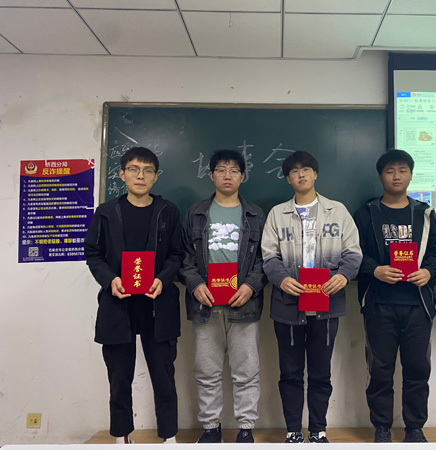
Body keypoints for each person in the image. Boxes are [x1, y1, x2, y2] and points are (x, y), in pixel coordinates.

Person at [261, 151, 362, 443]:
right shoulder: (277, 214)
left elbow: (353, 252)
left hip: (326, 304)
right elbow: (268, 256)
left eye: (306, 169)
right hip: (288, 304)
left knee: (321, 373)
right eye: (294, 171)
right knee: (290, 373)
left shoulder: (337, 211)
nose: (301, 174)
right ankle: (293, 430)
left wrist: (344, 275)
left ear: (315, 174)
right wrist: (282, 279)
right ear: (288, 179)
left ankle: (318, 430)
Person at [84, 147, 182, 444]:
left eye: (148, 170)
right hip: (118, 304)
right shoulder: (106, 212)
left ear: (156, 176)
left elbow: (177, 255)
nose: (141, 176)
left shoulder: (168, 211)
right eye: (134, 169)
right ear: (122, 174)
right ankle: (122, 436)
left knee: (163, 376)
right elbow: (93, 254)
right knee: (119, 377)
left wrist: (162, 279)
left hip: (158, 304)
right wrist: (110, 280)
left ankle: (169, 437)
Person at [352, 150, 436, 443]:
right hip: (379, 304)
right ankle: (381, 427)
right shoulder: (366, 213)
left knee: (418, 369)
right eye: (390, 171)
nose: (396, 176)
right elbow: (352, 253)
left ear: (411, 175)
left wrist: (429, 272)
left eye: (402, 170)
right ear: (380, 176)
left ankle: (414, 428)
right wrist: (375, 270)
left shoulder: (425, 214)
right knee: (379, 370)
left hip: (418, 305)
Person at [179, 149, 267, 444]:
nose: (227, 175)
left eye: (233, 170)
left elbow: (265, 259)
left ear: (242, 176)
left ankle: (246, 428)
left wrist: (251, 286)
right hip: (205, 306)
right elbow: (184, 257)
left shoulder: (255, 215)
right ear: (211, 175)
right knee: (207, 371)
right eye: (221, 170)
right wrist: (195, 285)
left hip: (243, 305)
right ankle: (211, 427)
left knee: (246, 372)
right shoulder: (196, 213)